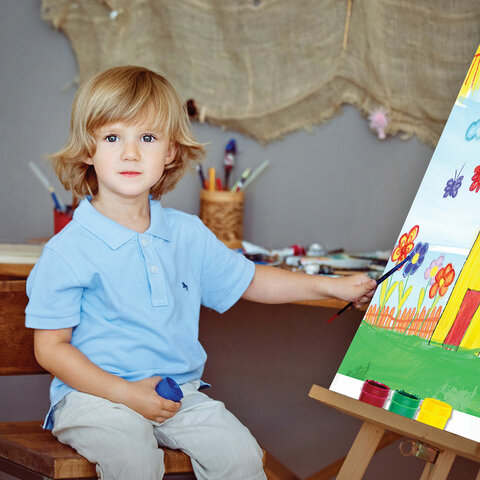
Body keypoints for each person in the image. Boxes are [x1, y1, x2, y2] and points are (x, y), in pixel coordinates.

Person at [25, 65, 377, 480]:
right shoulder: (69, 248)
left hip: (177, 394)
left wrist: (332, 286)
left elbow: (252, 279)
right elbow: (51, 348)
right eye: (113, 137)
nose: (130, 153)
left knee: (241, 456)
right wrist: (125, 394)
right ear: (88, 149)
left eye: (148, 138)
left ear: (170, 152)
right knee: (134, 459)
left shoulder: (186, 233)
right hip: (93, 397)